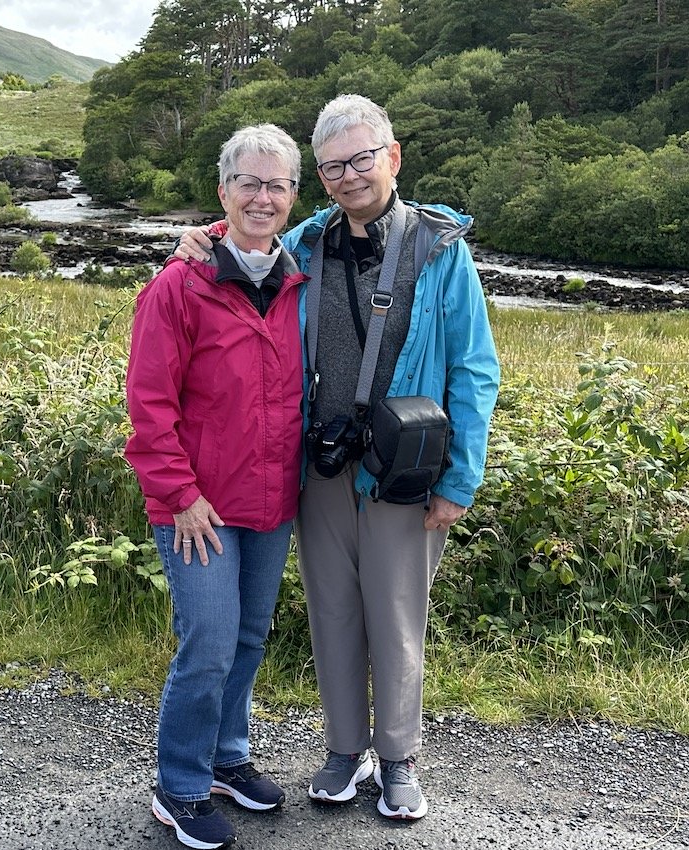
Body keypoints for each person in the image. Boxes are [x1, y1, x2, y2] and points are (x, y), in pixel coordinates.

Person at [174, 94, 501, 821]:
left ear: (392, 156)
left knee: (396, 616)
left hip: (408, 470)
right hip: (320, 468)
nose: (349, 175)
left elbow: (476, 370)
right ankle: (343, 752)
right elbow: (245, 242)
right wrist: (196, 239)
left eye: (360, 158)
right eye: (331, 166)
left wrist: (460, 479)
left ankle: (399, 759)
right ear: (319, 178)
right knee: (331, 615)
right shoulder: (311, 242)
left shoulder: (442, 250)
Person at [124, 123, 308, 850]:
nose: (263, 197)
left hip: (271, 497)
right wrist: (179, 495)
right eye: (249, 183)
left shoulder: (300, 275)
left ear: (296, 195)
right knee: (205, 643)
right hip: (196, 507)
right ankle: (181, 784)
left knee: (249, 636)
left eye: (278, 184)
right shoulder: (178, 286)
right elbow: (148, 405)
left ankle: (227, 758)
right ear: (223, 191)